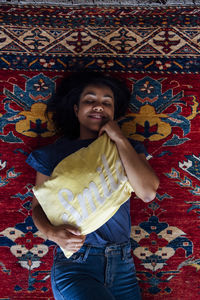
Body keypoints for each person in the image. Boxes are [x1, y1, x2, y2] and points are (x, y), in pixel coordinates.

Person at [26, 72, 159, 300]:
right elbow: (38, 207)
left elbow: (147, 192)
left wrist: (119, 139)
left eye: (107, 102)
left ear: (114, 112)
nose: (99, 106)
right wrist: (52, 234)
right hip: (78, 264)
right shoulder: (53, 154)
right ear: (76, 109)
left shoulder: (128, 148)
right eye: (90, 100)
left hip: (123, 266)